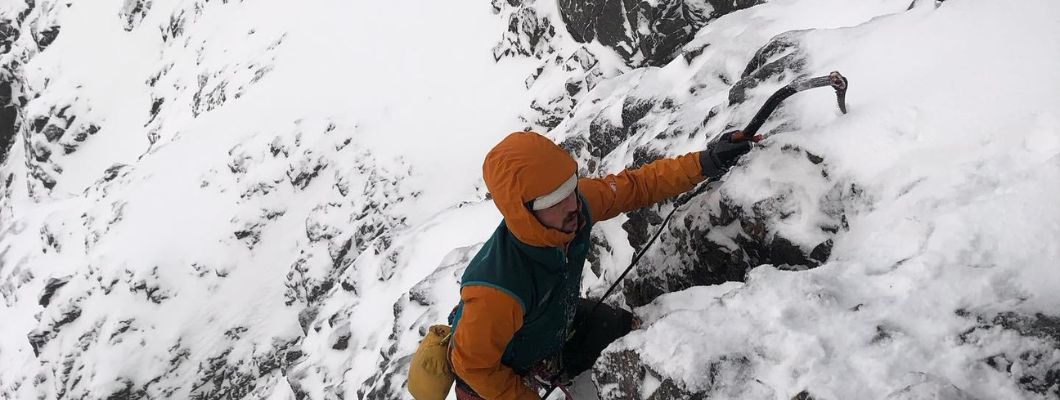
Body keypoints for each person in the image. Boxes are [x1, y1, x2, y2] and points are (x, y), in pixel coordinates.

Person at [447, 130, 751, 400]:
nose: (571, 204)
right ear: (523, 213)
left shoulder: (575, 207)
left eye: (571, 188)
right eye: (554, 200)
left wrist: (705, 162)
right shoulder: (496, 293)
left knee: (625, 330)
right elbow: (474, 367)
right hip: (498, 373)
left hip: (550, 321)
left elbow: (636, 186)